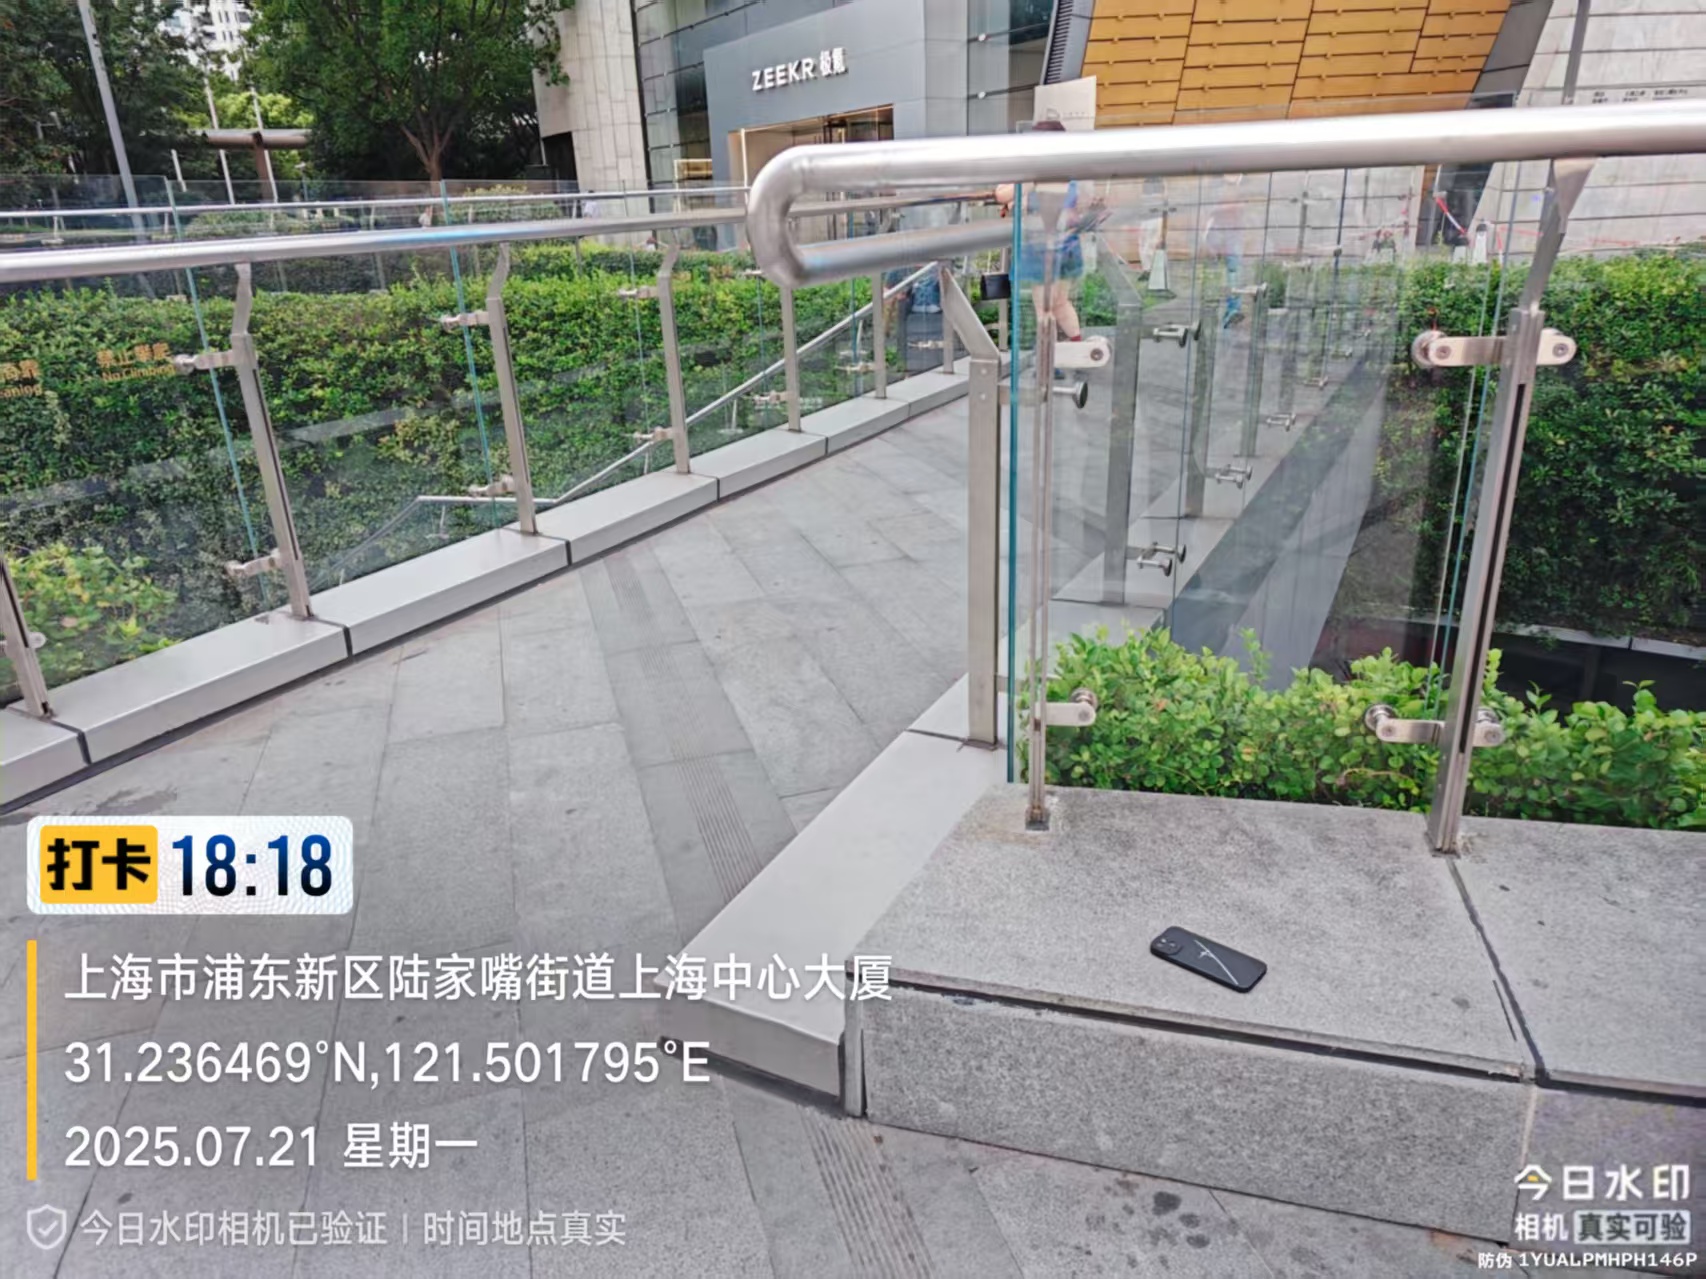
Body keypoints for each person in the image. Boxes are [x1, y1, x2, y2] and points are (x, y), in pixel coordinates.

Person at [996, 120, 1091, 351]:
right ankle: (1076, 349)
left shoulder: (1039, 172)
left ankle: (1050, 359)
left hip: (1044, 250)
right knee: (1059, 303)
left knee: (1046, 308)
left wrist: (1018, 199)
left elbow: (1004, 195)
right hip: (1065, 248)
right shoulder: (1067, 172)